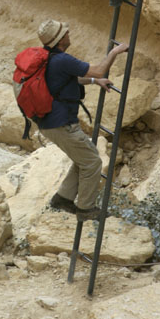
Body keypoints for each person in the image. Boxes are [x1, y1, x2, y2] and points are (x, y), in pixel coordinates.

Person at [35, 19, 128, 221]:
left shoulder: (48, 58)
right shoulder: (62, 59)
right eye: (66, 33)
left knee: (84, 158)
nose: (69, 34)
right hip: (62, 124)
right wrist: (115, 52)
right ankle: (86, 209)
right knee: (92, 162)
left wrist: (94, 81)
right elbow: (98, 69)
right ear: (60, 39)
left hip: (50, 123)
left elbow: (71, 78)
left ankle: (63, 198)